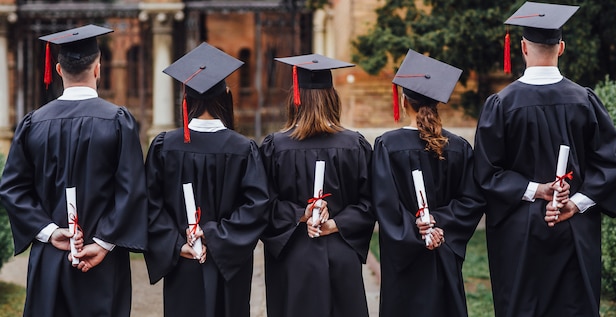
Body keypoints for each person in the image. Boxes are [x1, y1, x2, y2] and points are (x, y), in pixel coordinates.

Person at [473, 2, 616, 316]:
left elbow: (486, 173)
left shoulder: (501, 105)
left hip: (519, 235)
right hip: (575, 232)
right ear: (562, 47)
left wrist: (535, 189)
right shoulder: (584, 101)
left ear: (522, 47)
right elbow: (611, 164)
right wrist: (576, 202)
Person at [0, 24, 148, 316]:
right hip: (103, 265)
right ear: (98, 68)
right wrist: (104, 243)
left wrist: (50, 232)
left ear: (57, 69)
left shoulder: (33, 123)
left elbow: (12, 188)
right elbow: (132, 190)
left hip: (50, 259)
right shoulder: (118, 121)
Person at [143, 42, 269, 317]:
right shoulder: (242, 148)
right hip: (229, 264)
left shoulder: (165, 146)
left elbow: (150, 206)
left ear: (185, 97)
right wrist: (216, 236)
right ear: (225, 95)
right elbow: (257, 207)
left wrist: (178, 245)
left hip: (183, 262)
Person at [260, 54, 376, 317]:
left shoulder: (274, 147)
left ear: (295, 98)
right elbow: (371, 203)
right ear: (332, 97)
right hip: (341, 251)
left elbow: (263, 206)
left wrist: (300, 214)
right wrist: (337, 224)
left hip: (293, 255)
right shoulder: (354, 145)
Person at [372, 49, 485, 317]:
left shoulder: (387, 145)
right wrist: (440, 224)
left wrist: (416, 228)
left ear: (403, 100)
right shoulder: (458, 147)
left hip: (404, 262)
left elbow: (385, 204)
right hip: (444, 254)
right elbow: (472, 201)